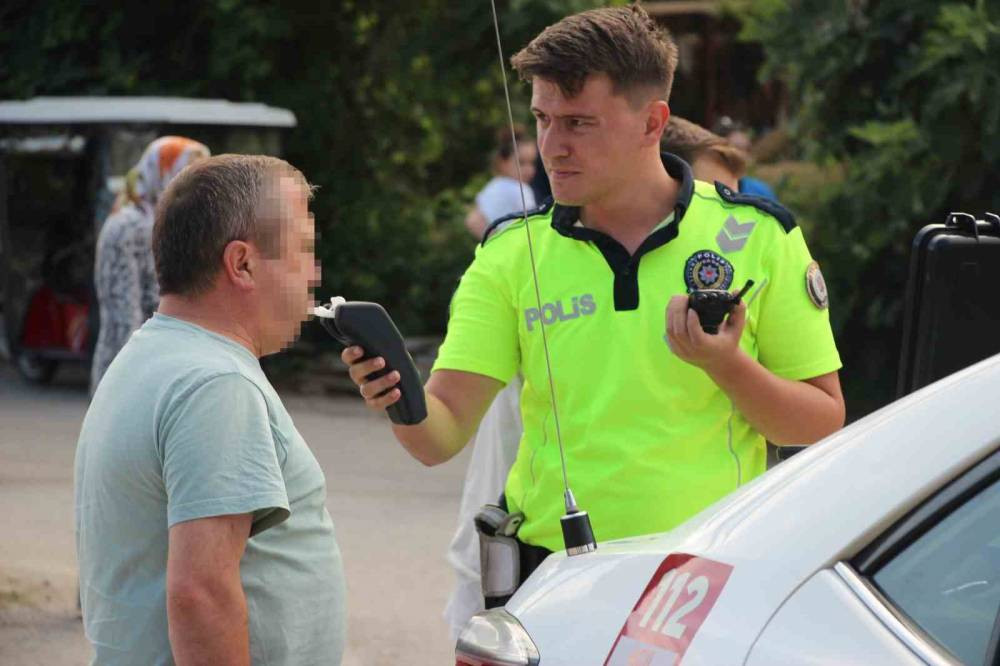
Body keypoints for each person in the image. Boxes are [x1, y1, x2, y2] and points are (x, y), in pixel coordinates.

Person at [345, 4, 844, 597]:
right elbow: (440, 436)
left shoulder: (759, 234)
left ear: (652, 123)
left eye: (579, 123)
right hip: (552, 586)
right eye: (542, 119)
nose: (551, 147)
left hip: (705, 586)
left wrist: (726, 364)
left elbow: (820, 423)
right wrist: (396, 392)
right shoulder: (509, 252)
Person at [443, 115, 752, 636]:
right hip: (550, 575)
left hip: (701, 578)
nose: (727, 217)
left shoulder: (726, 297)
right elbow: (486, 460)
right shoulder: (538, 275)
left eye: (734, 197)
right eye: (712, 194)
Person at [75, 155, 345, 665]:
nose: (315, 273)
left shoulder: (150, 356)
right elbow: (202, 593)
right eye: (304, 250)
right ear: (242, 264)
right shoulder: (216, 385)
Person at [89, 136, 210, 394]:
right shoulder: (128, 227)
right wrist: (133, 384)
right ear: (163, 173)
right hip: (131, 376)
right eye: (187, 175)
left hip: (163, 371)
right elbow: (124, 316)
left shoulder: (172, 225)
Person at [464, 125, 537, 240]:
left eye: (532, 163)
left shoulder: (492, 186)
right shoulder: (521, 189)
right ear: (503, 162)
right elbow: (534, 225)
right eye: (521, 163)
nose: (529, 169)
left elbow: (472, 221)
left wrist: (495, 240)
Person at [714, 116, 778, 201]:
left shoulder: (761, 192)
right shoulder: (705, 190)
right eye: (737, 148)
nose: (743, 156)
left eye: (747, 149)